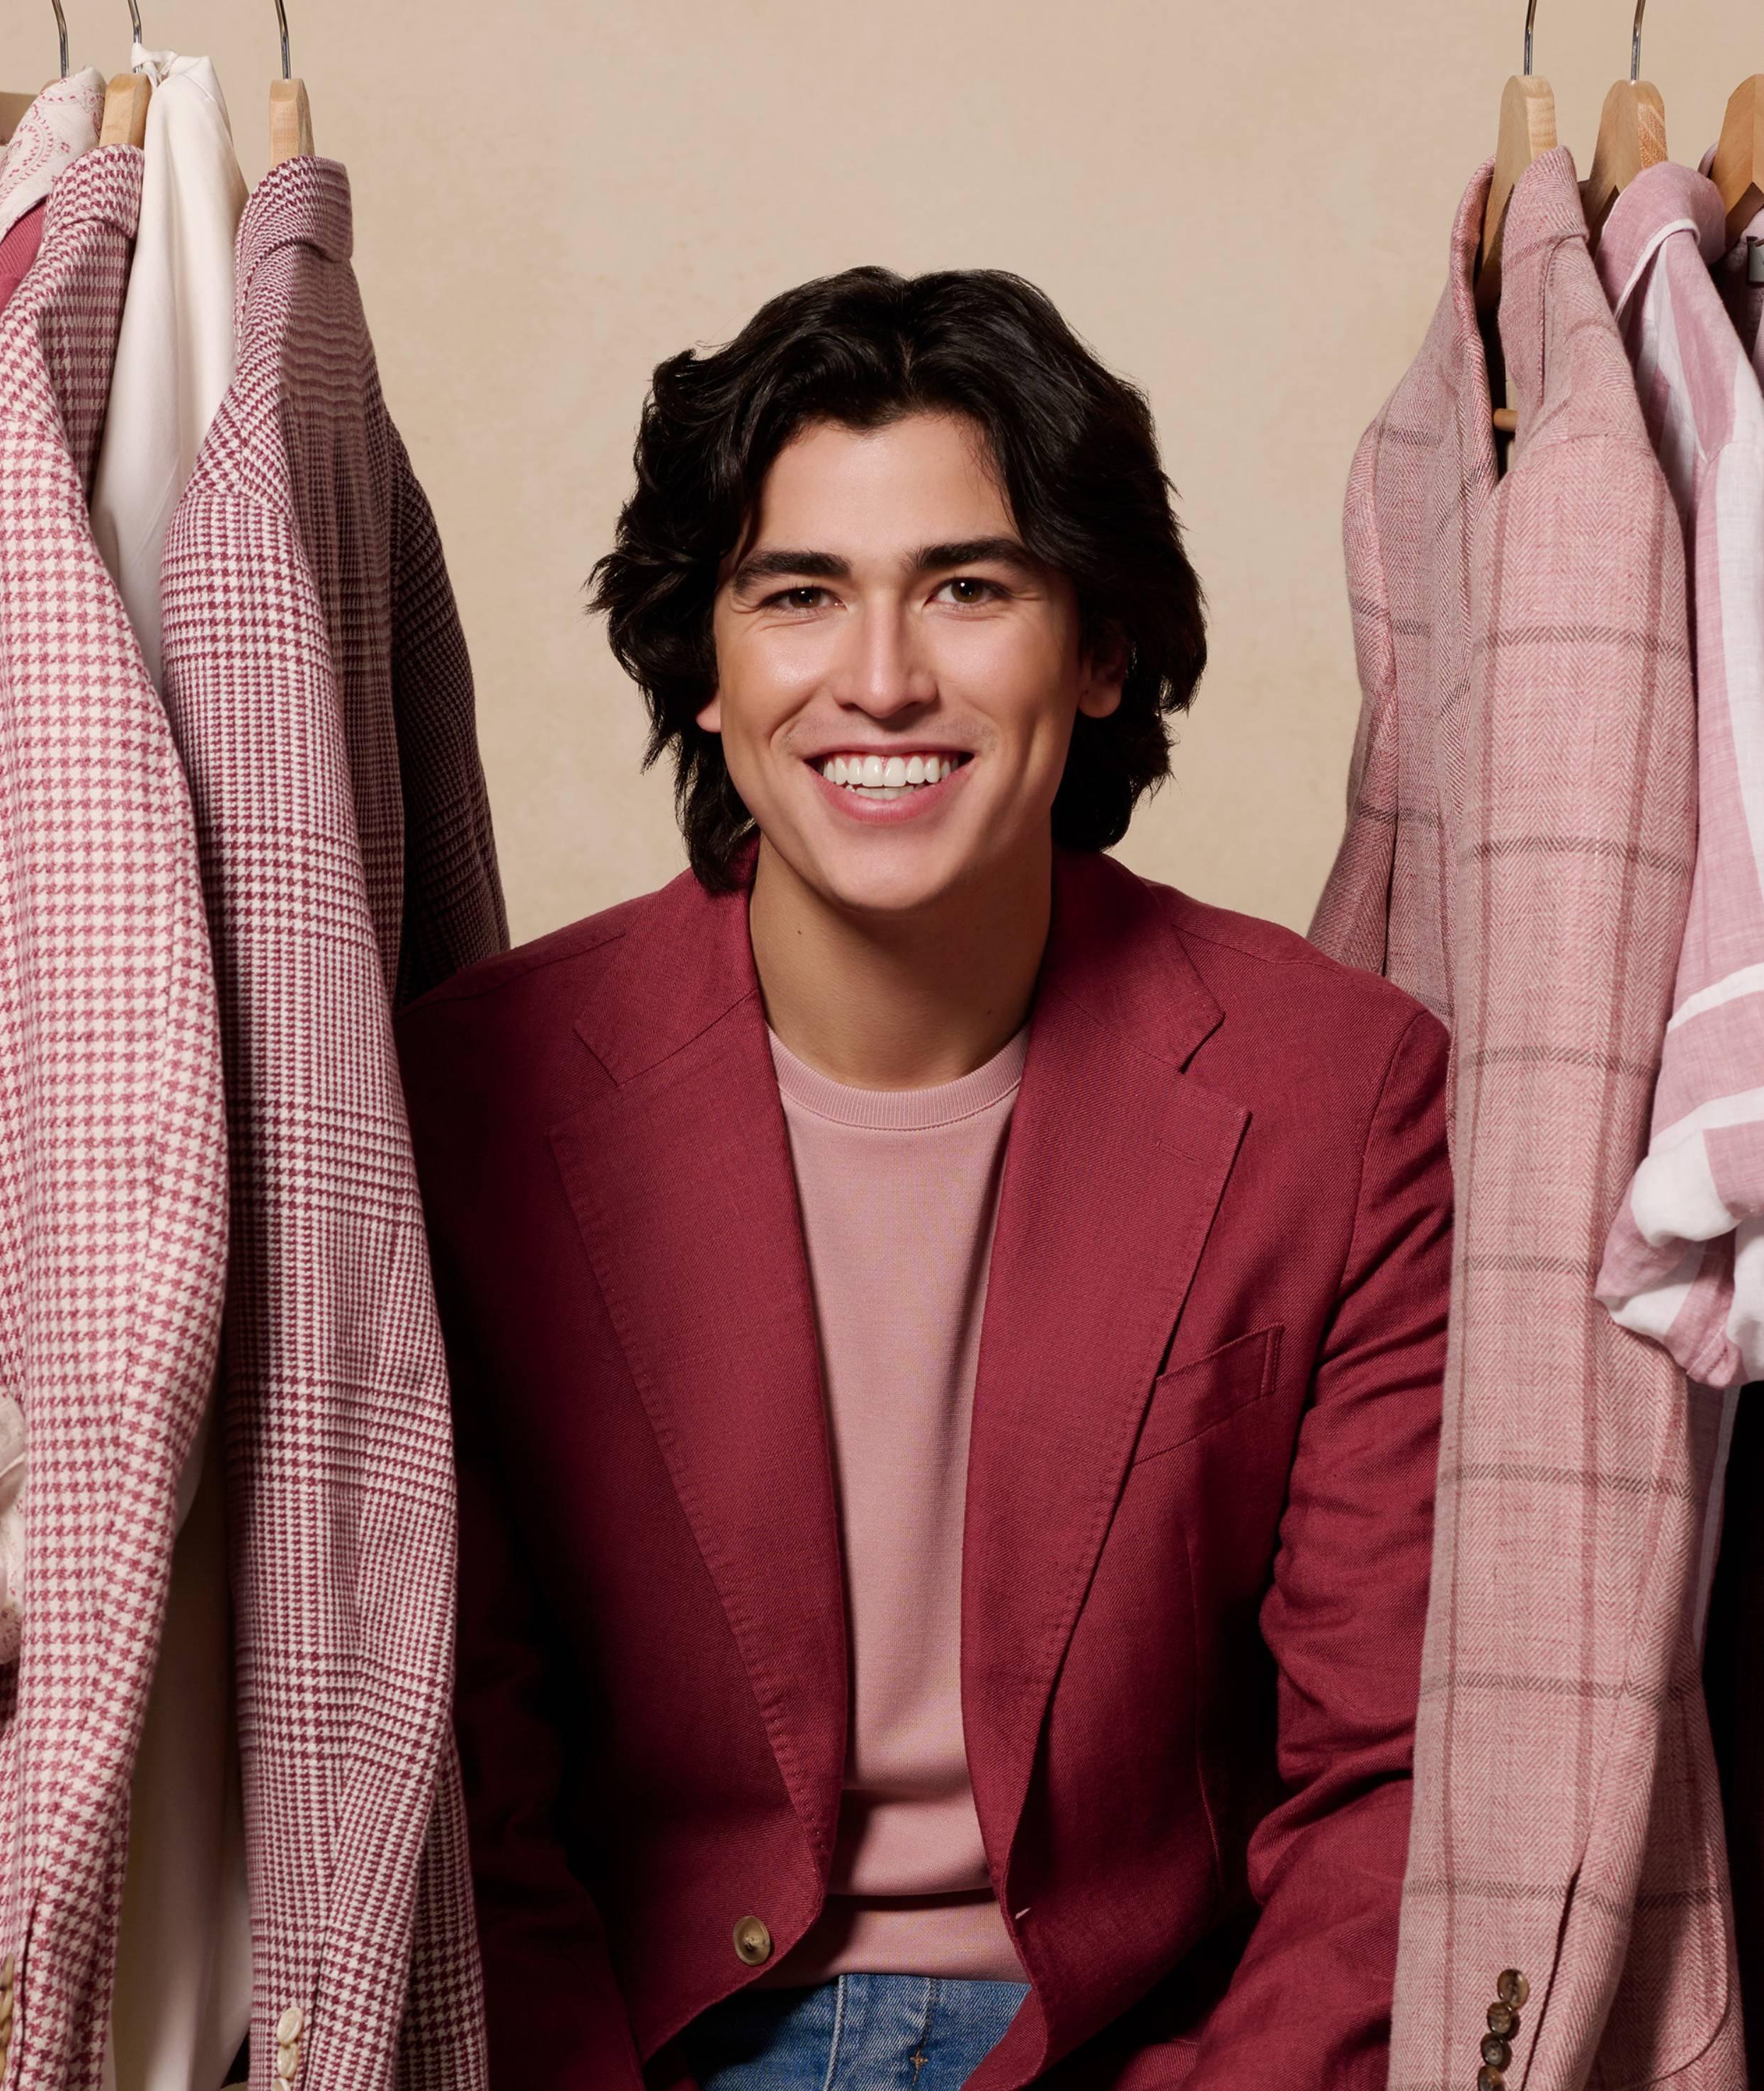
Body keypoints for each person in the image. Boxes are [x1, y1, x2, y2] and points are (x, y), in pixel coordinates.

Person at [396, 266, 1452, 2091]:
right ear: (707, 675)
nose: (882, 677)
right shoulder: (475, 1098)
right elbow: (458, 1774)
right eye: (799, 596)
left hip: (1150, 2044)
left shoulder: (1338, 1096)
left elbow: (1391, 1777)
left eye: (970, 587)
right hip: (647, 2040)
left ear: (1101, 652)